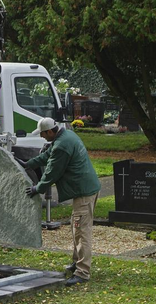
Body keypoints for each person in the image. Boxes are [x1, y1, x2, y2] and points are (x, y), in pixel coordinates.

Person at [24, 118, 101, 287]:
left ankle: (82, 272)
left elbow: (52, 171)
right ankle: (77, 263)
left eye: (43, 134)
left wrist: (39, 188)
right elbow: (47, 155)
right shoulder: (65, 136)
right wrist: (29, 164)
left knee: (82, 232)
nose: (42, 137)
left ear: (50, 131)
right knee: (77, 228)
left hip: (83, 192)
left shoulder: (62, 146)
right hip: (85, 189)